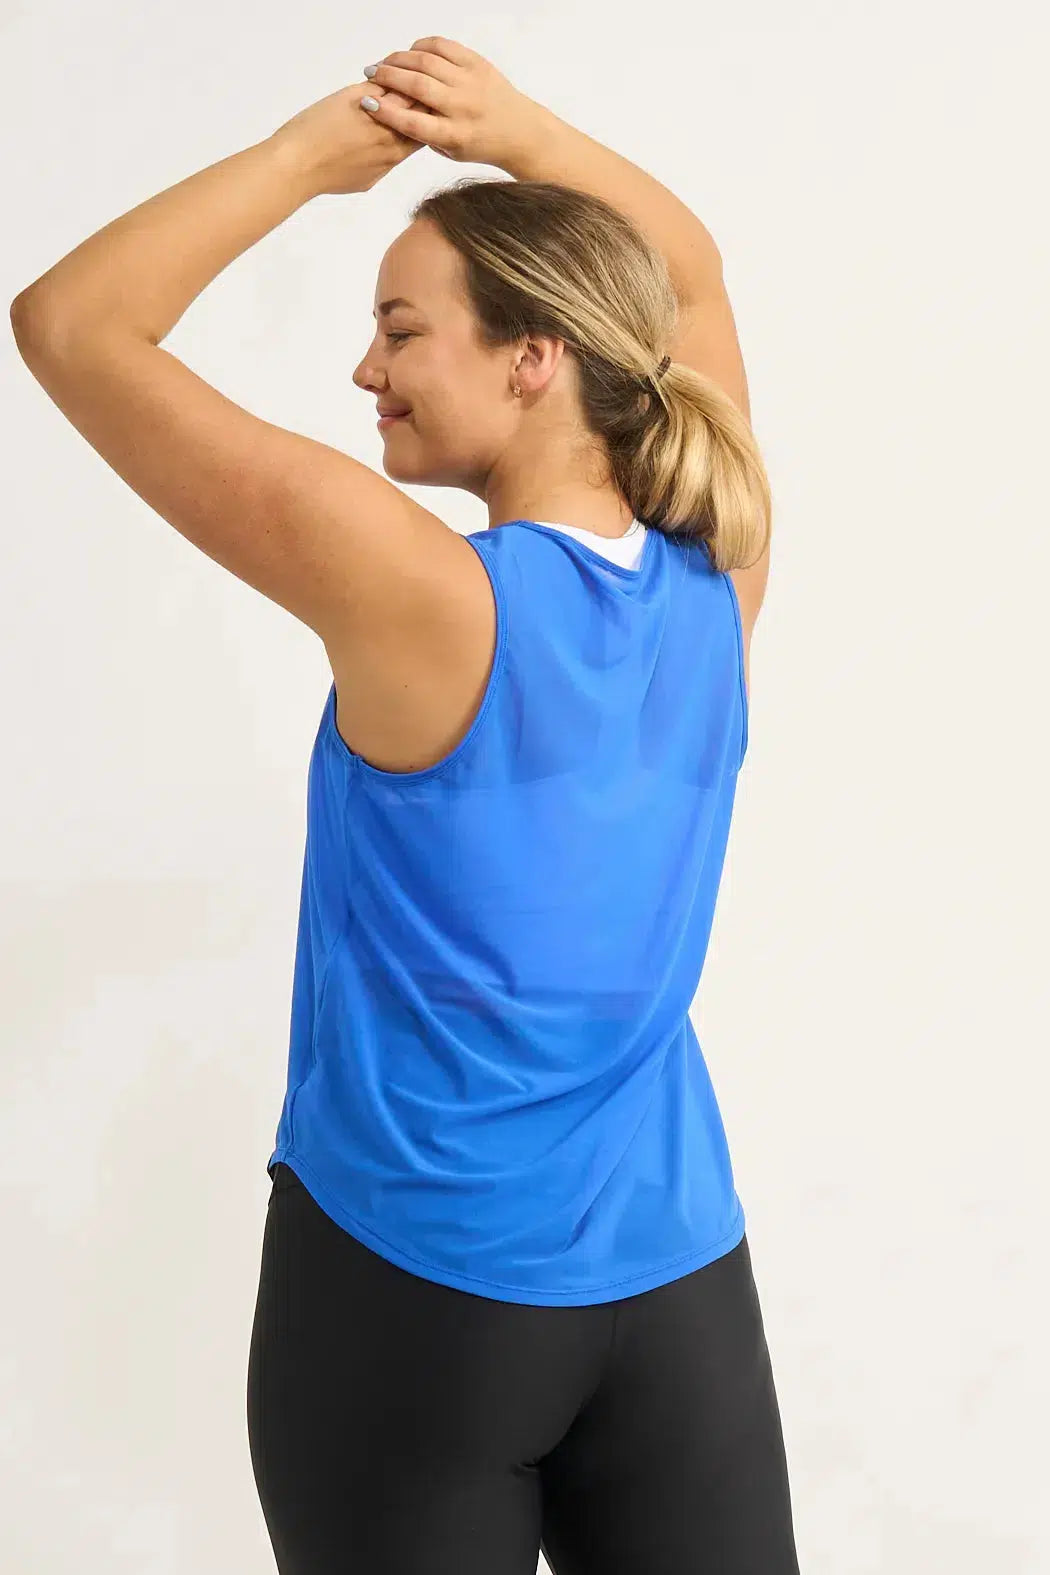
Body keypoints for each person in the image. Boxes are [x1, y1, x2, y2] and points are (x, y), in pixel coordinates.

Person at [247, 37, 797, 1575]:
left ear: (533, 355)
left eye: (398, 329)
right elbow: (691, 276)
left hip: (408, 1281)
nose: (367, 371)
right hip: (673, 1278)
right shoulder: (717, 587)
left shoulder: (421, 592)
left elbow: (72, 325)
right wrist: (521, 131)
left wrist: (300, 163)